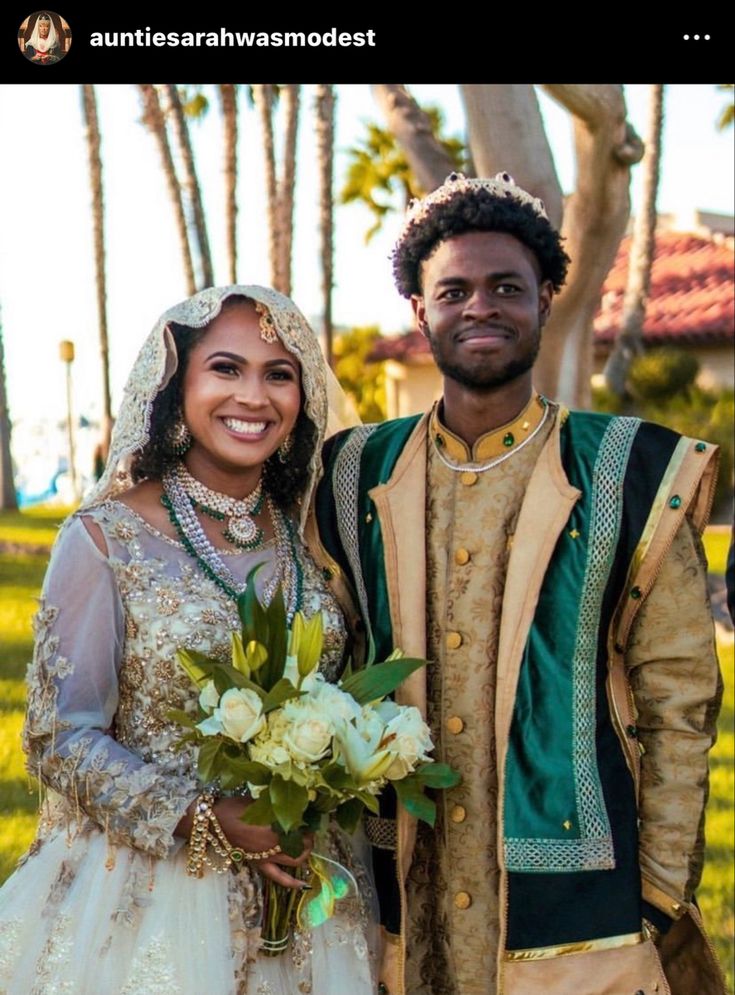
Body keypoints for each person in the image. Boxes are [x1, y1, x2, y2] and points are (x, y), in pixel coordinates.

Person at [311, 174, 726, 995]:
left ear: (545, 298)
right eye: (453, 290)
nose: (481, 307)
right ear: (419, 310)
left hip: (576, 897)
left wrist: (658, 889)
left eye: (506, 286)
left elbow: (679, 697)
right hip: (400, 885)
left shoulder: (629, 471)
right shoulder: (352, 472)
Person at [0, 286, 377, 994]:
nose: (254, 396)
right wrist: (204, 815)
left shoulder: (316, 542)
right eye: (226, 369)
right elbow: (60, 735)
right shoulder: (105, 537)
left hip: (306, 895)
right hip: (148, 896)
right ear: (178, 388)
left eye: (278, 373)